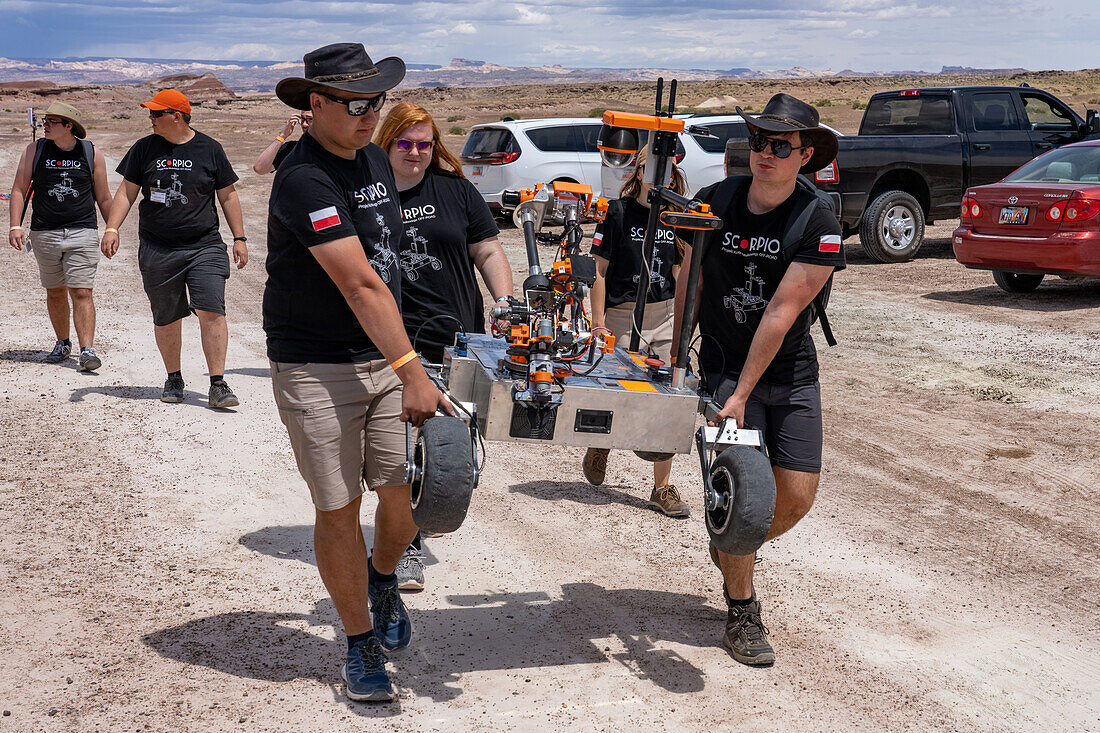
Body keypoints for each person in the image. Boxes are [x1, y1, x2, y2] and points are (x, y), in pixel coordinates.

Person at [265, 43, 452, 703]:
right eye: (355, 103)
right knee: (339, 508)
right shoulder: (303, 176)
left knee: (400, 512)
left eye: (377, 101)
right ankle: (359, 641)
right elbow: (358, 282)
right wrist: (414, 370)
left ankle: (381, 579)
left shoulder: (374, 156)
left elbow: (393, 259)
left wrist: (407, 353)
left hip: (383, 357)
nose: (370, 114)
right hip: (314, 365)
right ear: (314, 105)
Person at [672, 93, 843, 666]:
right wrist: (675, 361)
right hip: (722, 369)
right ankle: (742, 610)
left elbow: (781, 312)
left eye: (780, 146)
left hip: (787, 374)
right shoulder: (713, 201)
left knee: (794, 500)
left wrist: (745, 394)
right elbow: (688, 281)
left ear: (805, 155)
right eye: (758, 142)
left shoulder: (817, 220)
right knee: (745, 491)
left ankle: (732, 536)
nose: (765, 153)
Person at [374, 102, 513, 591]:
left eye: (424, 144)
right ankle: (405, 548)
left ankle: (409, 528)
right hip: (389, 342)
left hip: (454, 338)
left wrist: (505, 302)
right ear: (386, 143)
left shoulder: (455, 190)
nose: (415, 153)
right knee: (402, 449)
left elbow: (488, 249)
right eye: (405, 143)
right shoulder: (368, 194)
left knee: (441, 446)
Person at [101, 88, 248, 408]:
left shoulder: (210, 149)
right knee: (166, 316)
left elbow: (228, 195)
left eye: (156, 114)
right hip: (158, 247)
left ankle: (217, 383)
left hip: (204, 245)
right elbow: (126, 193)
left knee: (212, 309)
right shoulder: (144, 148)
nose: (150, 119)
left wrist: (239, 237)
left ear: (177, 116)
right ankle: (174, 377)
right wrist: (112, 228)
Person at [582, 148, 690, 518]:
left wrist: (685, 323)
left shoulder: (677, 216)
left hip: (663, 313)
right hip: (622, 314)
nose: (656, 175)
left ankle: (661, 487)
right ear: (637, 171)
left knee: (667, 397)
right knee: (615, 393)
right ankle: (601, 443)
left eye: (665, 169)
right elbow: (598, 269)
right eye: (648, 167)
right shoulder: (618, 212)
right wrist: (598, 323)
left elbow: (682, 271)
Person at [8, 102, 113, 371]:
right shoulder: (35, 150)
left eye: (51, 121)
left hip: (82, 231)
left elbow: (102, 196)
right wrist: (15, 226)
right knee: (55, 291)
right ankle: (62, 342)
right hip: (44, 232)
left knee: (81, 290)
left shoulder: (91, 153)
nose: (45, 125)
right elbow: (19, 189)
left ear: (69, 126)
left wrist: (112, 228)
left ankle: (87, 349)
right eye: (44, 120)